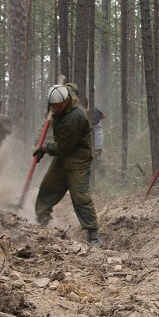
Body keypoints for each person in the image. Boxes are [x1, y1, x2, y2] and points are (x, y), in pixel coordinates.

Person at [33, 85, 101, 247]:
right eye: (53, 106)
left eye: (59, 106)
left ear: (68, 100)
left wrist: (45, 149)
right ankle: (43, 222)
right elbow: (71, 87)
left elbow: (64, 147)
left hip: (77, 159)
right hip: (62, 158)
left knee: (80, 196)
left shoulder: (75, 117)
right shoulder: (64, 95)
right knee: (47, 188)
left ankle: (93, 235)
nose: (56, 109)